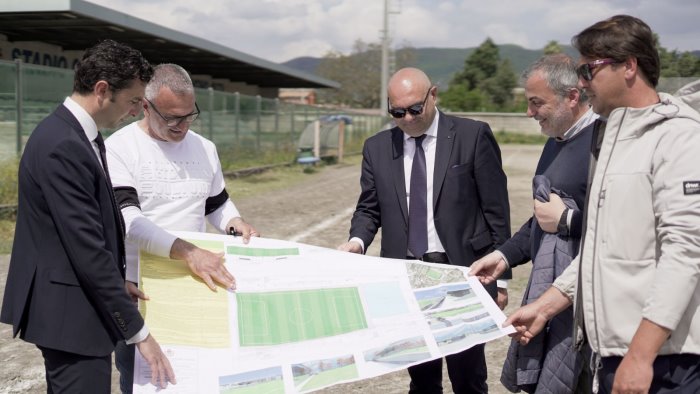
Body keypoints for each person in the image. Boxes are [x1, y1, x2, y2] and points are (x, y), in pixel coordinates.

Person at [471, 15, 700, 393]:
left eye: (589, 69)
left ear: (629, 66)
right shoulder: (613, 140)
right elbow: (601, 249)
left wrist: (641, 356)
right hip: (612, 354)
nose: (581, 81)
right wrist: (544, 307)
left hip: (665, 360)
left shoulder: (680, 139)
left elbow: (686, 254)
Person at [0, 39, 175, 392]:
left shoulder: (80, 136)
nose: (134, 111)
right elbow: (86, 246)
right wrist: (138, 332)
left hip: (77, 306)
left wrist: (118, 281)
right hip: (70, 317)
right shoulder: (62, 144)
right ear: (102, 90)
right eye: (131, 101)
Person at [338, 67, 511, 393]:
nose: (406, 118)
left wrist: (501, 278)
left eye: (415, 109)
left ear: (433, 95)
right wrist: (357, 242)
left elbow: (496, 211)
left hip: (463, 273)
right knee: (421, 377)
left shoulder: (472, 135)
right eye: (397, 111)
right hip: (405, 277)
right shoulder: (376, 147)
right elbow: (369, 207)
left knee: (468, 377)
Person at [105, 63, 258, 393]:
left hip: (196, 284)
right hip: (140, 292)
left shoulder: (205, 148)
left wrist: (235, 223)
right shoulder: (119, 148)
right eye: (172, 118)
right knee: (148, 382)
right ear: (146, 106)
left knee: (199, 379)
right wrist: (188, 252)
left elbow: (215, 204)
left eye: (189, 115)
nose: (182, 125)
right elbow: (128, 222)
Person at [473, 54, 597, 393]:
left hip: (587, 306)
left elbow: (620, 228)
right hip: (554, 295)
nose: (529, 112)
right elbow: (541, 220)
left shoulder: (602, 144)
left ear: (572, 97)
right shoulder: (554, 142)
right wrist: (503, 257)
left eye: (536, 103)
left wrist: (570, 220)